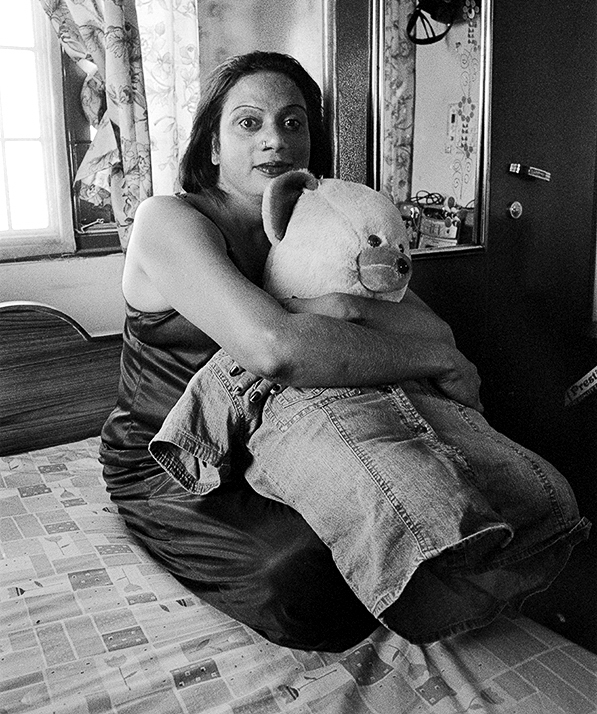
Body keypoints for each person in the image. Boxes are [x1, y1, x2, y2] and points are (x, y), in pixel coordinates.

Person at [100, 51, 588, 650]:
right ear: (212, 147)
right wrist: (428, 358)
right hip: (180, 456)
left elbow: (431, 328)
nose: (275, 141)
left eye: (293, 122)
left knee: (437, 503)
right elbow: (274, 348)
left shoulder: (320, 221)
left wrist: (350, 312)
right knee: (306, 578)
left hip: (276, 437)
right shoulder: (168, 220)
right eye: (248, 123)